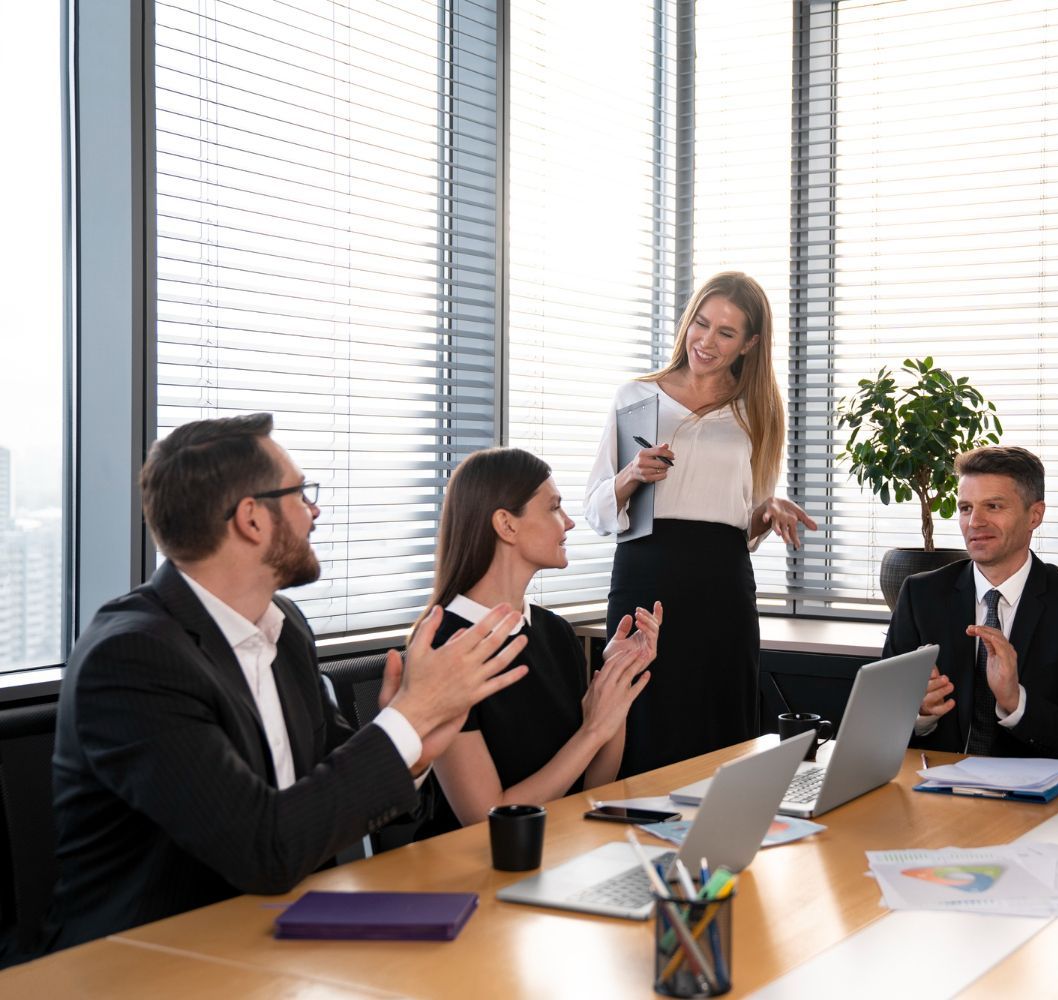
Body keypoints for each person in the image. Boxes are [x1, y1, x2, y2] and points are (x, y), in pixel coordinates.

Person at [47, 414, 531, 951]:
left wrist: (416, 749)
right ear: (251, 519)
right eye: (301, 494)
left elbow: (320, 776)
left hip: (282, 937)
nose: (315, 511)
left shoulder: (286, 627)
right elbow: (263, 849)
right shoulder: (134, 658)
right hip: (149, 962)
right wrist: (407, 720)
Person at [585, 271, 816, 776]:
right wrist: (631, 475)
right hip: (648, 573)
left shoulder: (758, 410)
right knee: (641, 713)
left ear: (750, 343)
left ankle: (718, 837)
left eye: (726, 333)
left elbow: (745, 519)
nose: (706, 342)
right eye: (701, 324)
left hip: (722, 580)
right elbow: (597, 509)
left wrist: (767, 510)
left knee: (720, 717)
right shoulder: (636, 397)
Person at [419, 448, 662, 829]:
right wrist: (593, 729)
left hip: (561, 848)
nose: (568, 523)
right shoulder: (441, 647)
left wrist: (616, 677)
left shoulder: (554, 632)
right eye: (553, 508)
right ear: (507, 525)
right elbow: (487, 819)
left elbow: (595, 784)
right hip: (480, 865)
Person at [883, 445, 1058, 766]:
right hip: (933, 793)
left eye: (993, 506)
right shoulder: (920, 594)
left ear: (1034, 515)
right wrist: (921, 713)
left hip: (1035, 803)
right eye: (966, 508)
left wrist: (1016, 702)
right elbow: (879, 725)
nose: (975, 522)